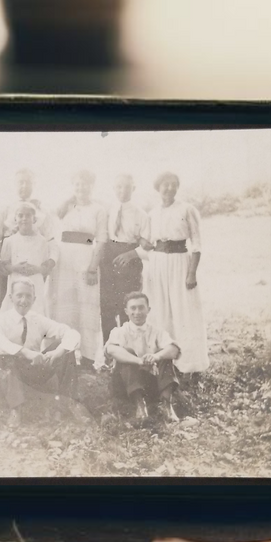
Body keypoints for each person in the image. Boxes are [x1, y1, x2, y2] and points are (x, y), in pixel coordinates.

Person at [0, 279, 83, 427]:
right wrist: (24, 352)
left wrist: (58, 351)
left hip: (32, 371)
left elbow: (71, 333)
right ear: (11, 298)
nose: (24, 300)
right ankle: (15, 409)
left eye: (28, 296)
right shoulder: (1, 320)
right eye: (19, 295)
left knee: (67, 349)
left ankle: (65, 404)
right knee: (3, 354)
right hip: (7, 372)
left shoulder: (37, 319)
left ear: (34, 299)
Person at [138, 171, 208, 376]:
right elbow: (148, 244)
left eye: (173, 184)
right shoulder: (152, 213)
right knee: (159, 310)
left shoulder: (187, 209)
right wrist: (142, 243)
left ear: (177, 187)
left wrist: (191, 273)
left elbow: (196, 243)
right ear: (157, 188)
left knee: (183, 311)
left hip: (180, 263)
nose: (169, 188)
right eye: (165, 185)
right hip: (157, 265)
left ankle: (189, 365)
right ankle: (163, 361)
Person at [49, 168, 107, 363]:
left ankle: (89, 357)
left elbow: (101, 240)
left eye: (85, 183)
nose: (81, 187)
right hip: (64, 261)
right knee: (65, 307)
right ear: (72, 186)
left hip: (86, 260)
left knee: (87, 307)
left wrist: (92, 267)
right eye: (77, 183)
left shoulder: (99, 209)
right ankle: (65, 355)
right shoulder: (64, 208)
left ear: (92, 186)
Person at [103, 291, 182, 427]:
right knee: (127, 353)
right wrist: (139, 361)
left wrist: (156, 356)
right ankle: (140, 405)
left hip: (151, 382)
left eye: (141, 308)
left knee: (164, 355)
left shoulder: (157, 331)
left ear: (148, 310)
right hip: (125, 384)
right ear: (126, 311)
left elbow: (174, 350)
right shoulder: (119, 331)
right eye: (133, 308)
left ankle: (167, 405)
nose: (137, 312)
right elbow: (111, 350)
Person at [0, 169, 52, 302]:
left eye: (28, 182)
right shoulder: (5, 208)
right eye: (21, 182)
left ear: (34, 185)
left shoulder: (41, 210)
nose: (24, 186)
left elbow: (49, 238)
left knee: (33, 302)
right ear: (15, 184)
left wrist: (45, 266)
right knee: (7, 302)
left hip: (34, 264)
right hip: (8, 262)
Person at [102, 172, 148, 339]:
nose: (122, 190)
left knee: (128, 305)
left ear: (133, 188)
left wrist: (131, 254)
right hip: (108, 258)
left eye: (127, 187)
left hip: (130, 261)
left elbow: (149, 247)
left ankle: (130, 350)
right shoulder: (107, 211)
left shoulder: (141, 214)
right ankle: (110, 351)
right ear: (114, 188)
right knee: (107, 307)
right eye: (119, 187)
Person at [0, 201, 56, 312]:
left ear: (34, 219)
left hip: (35, 281)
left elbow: (44, 266)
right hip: (16, 280)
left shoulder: (42, 241)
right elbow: (5, 265)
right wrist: (15, 268)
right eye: (20, 215)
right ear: (15, 219)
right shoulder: (9, 241)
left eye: (28, 215)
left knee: (35, 311)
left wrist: (37, 269)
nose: (24, 218)